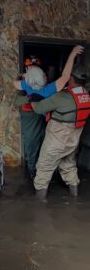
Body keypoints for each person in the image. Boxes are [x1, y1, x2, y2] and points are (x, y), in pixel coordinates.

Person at [12, 45, 84, 178]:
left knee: (32, 145)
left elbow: (15, 83)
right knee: (44, 146)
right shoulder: (48, 89)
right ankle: (43, 172)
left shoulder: (27, 85)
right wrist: (72, 55)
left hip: (34, 116)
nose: (46, 75)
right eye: (44, 74)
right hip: (45, 117)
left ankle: (33, 172)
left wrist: (21, 76)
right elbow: (65, 76)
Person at [32, 64, 90, 200]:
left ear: (71, 78)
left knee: (43, 169)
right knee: (69, 166)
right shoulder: (85, 96)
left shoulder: (62, 97)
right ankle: (74, 198)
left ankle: (39, 207)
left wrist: (33, 99)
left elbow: (39, 109)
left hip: (56, 141)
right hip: (72, 142)